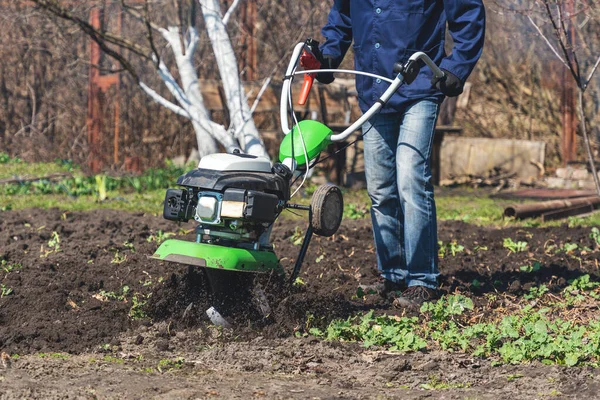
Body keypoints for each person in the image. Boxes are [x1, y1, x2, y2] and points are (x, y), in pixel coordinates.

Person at [312, 0, 486, 307]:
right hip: (374, 90)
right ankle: (391, 275)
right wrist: (328, 55)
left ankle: (422, 280)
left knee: (410, 179)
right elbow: (342, 16)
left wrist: (456, 67)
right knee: (380, 189)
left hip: (418, 87)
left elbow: (468, 14)